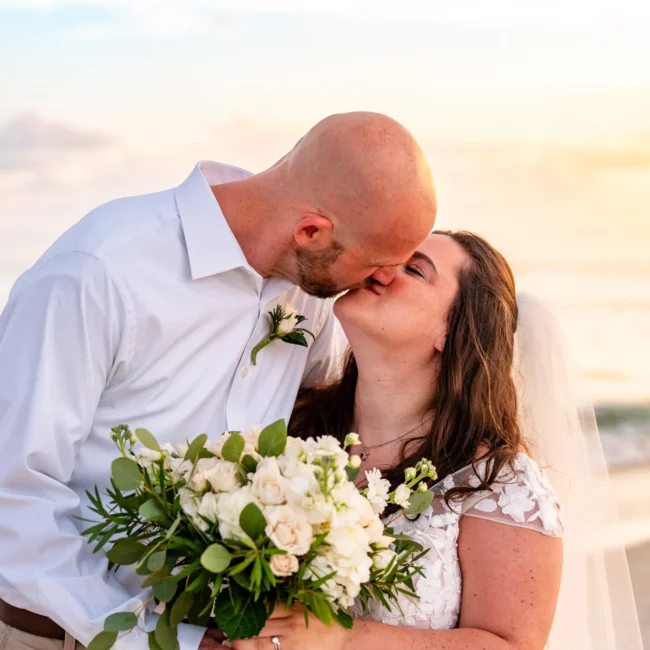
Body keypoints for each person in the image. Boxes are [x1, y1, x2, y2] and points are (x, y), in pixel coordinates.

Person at [0, 113, 437, 650]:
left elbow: (341, 410)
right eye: (378, 264)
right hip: (62, 637)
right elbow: (13, 494)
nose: (384, 280)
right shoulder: (98, 271)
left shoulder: (308, 292)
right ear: (311, 231)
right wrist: (157, 641)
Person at [235, 230, 642, 650]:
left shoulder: (500, 485)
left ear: (451, 332)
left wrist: (343, 640)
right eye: (390, 253)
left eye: (414, 269)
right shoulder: (288, 429)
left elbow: (512, 645)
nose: (382, 268)